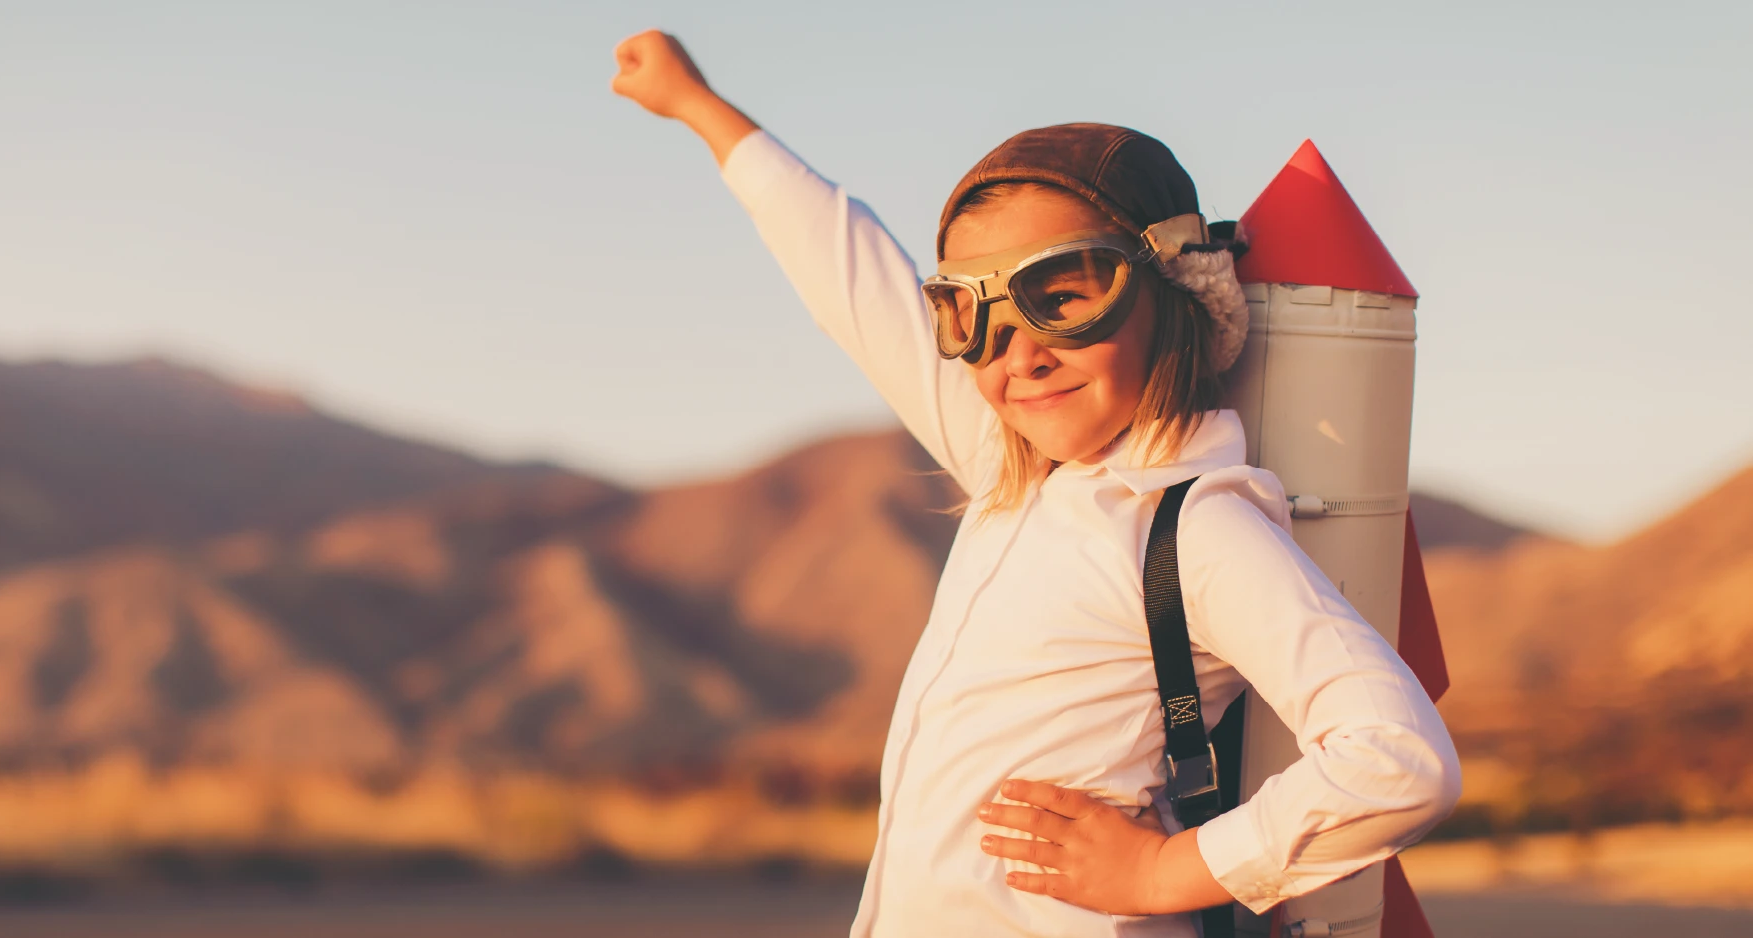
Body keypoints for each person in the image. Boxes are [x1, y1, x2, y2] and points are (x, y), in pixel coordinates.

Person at [608, 30, 1460, 938]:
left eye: (1064, 290)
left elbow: (1400, 759)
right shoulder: (1012, 475)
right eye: (969, 310)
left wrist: (1167, 871)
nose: (1021, 350)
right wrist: (701, 109)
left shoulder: (1192, 530)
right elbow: (849, 278)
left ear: (1172, 287)